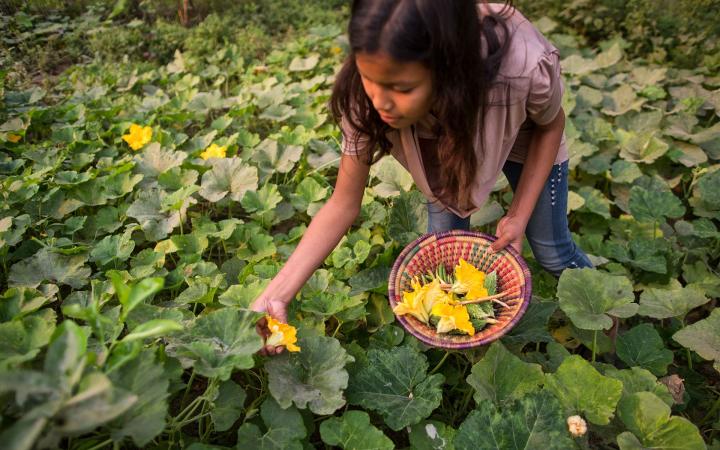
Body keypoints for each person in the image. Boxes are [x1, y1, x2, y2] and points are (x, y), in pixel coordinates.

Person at [251, 0, 593, 355]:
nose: (380, 102)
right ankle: (466, 352)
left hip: (523, 128)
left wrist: (518, 215)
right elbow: (342, 204)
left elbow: (551, 125)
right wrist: (273, 296)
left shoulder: (522, 68)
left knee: (552, 251)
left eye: (401, 88)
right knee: (443, 253)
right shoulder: (366, 97)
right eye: (370, 78)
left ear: (448, 70)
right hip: (442, 134)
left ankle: (607, 316)